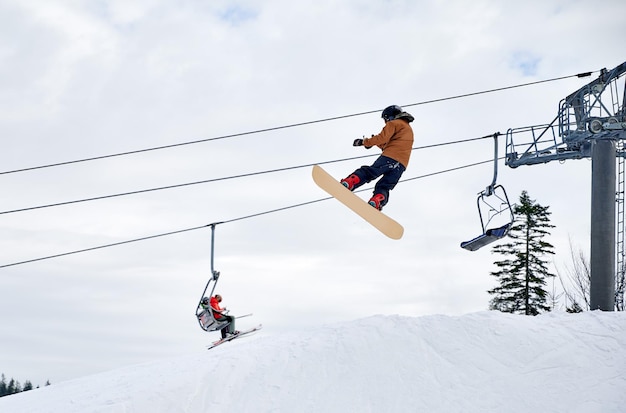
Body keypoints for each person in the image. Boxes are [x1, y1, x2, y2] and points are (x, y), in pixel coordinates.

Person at [340, 105, 414, 211]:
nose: (385, 122)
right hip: (401, 165)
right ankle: (377, 200)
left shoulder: (394, 123)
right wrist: (374, 144)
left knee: (369, 172)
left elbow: (382, 138)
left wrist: (364, 142)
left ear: (390, 117)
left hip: (389, 158)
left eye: (385, 119)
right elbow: (388, 144)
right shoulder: (408, 130)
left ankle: (350, 182)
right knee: (384, 186)